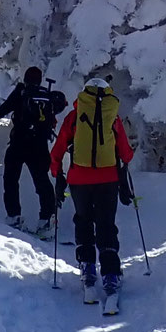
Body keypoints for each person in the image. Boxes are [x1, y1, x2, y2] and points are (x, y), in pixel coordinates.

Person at [49, 78, 136, 313]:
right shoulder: (113, 116)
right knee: (106, 225)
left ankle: (88, 272)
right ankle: (110, 275)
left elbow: (58, 149)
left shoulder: (74, 116)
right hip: (108, 180)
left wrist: (58, 174)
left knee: (84, 221)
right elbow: (126, 153)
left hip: (79, 180)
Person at [0, 67, 64, 233]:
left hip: (18, 144)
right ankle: (47, 219)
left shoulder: (21, 93)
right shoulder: (46, 96)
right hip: (40, 146)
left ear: (26, 78)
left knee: (11, 180)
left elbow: (1, 112)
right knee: (42, 181)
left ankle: (14, 217)